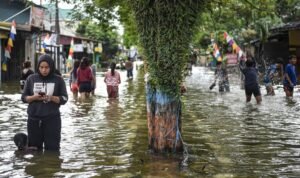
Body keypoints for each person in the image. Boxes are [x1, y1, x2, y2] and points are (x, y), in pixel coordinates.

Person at [21, 54, 68, 151]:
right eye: (41, 67)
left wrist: (51, 98)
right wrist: (34, 97)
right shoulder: (31, 79)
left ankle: (50, 165)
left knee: (53, 150)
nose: (44, 70)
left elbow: (64, 98)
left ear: (51, 67)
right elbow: (24, 98)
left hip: (52, 120)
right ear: (38, 67)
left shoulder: (58, 79)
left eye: (47, 67)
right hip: (34, 120)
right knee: (34, 150)